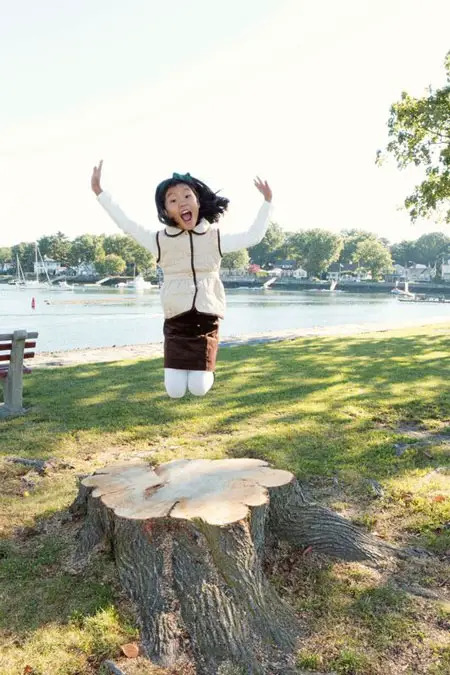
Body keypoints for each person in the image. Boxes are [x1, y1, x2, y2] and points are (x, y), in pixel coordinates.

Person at [91, 161, 272, 398]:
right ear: (166, 211)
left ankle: (206, 368)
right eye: (173, 200)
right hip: (176, 317)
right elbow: (127, 225)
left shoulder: (215, 238)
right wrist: (100, 193)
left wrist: (267, 202)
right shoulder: (159, 240)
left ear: (198, 201)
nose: (182, 202)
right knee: (175, 391)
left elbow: (254, 236)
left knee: (198, 388)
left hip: (207, 316)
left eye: (188, 196)